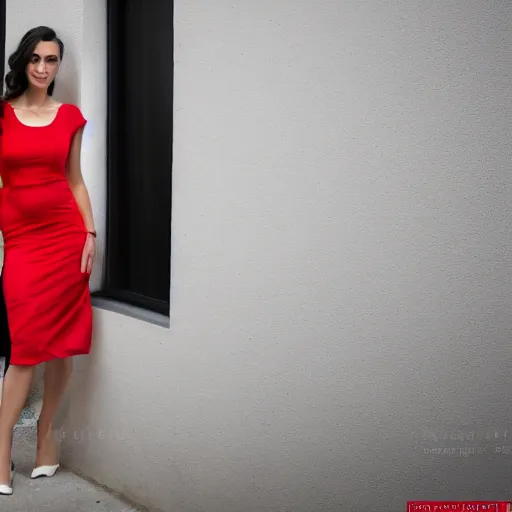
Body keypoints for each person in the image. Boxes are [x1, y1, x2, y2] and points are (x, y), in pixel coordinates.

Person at [0, 26, 96, 495]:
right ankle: (0, 455)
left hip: (65, 238)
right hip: (20, 241)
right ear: (23, 62)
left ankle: (45, 438)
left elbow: (74, 181)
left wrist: (91, 233)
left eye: (52, 60)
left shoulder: (70, 117)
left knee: (59, 344)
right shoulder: (1, 116)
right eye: (35, 59)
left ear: (59, 66)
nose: (42, 68)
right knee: (23, 349)